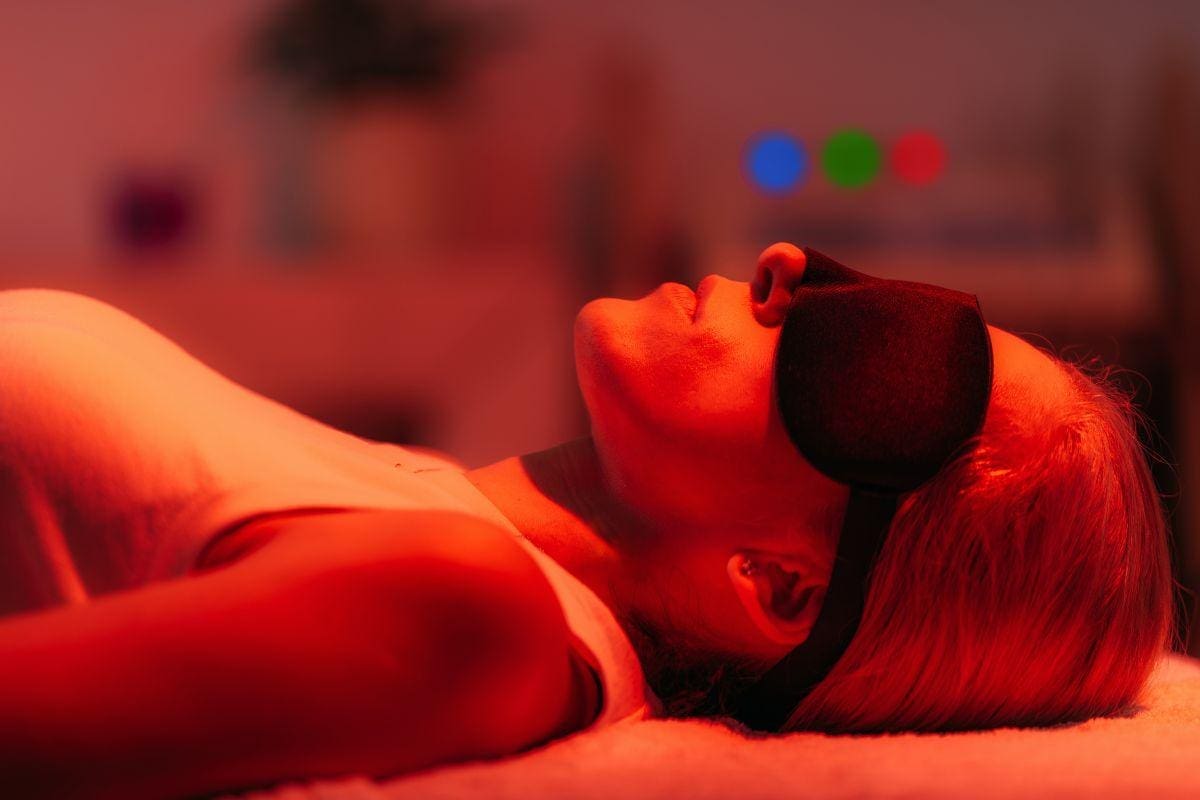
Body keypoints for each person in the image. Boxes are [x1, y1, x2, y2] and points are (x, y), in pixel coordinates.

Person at [0, 243, 1176, 797]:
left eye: (884, 358)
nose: (785, 266)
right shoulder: (436, 508)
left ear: (782, 586)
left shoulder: (474, 611)